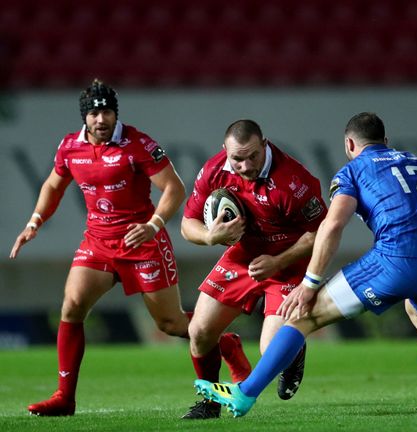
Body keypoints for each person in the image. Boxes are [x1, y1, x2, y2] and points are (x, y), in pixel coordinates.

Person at [192, 112, 417, 419]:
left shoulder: (351, 171)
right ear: (386, 140)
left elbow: (332, 226)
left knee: (303, 316)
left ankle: (244, 393)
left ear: (349, 145)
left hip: (395, 260)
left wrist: (309, 285)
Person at [9, 79, 249, 416]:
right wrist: (34, 223)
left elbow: (174, 188)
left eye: (107, 111)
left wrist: (152, 226)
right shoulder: (69, 147)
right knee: (72, 307)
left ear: (114, 113)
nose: (101, 119)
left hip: (143, 243)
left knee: (171, 324)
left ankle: (225, 344)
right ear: (85, 118)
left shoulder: (137, 143)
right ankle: (65, 397)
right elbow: (53, 183)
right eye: (94, 113)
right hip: (97, 242)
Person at [179, 119, 328, 419]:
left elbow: (321, 233)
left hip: (287, 262)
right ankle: (210, 403)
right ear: (225, 151)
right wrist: (210, 237)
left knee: (270, 349)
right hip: (243, 257)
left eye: (253, 156)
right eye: (237, 158)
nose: (246, 166)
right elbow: (187, 225)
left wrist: (278, 261)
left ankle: (293, 351)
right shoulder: (214, 170)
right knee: (199, 331)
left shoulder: (293, 181)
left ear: (265, 144)